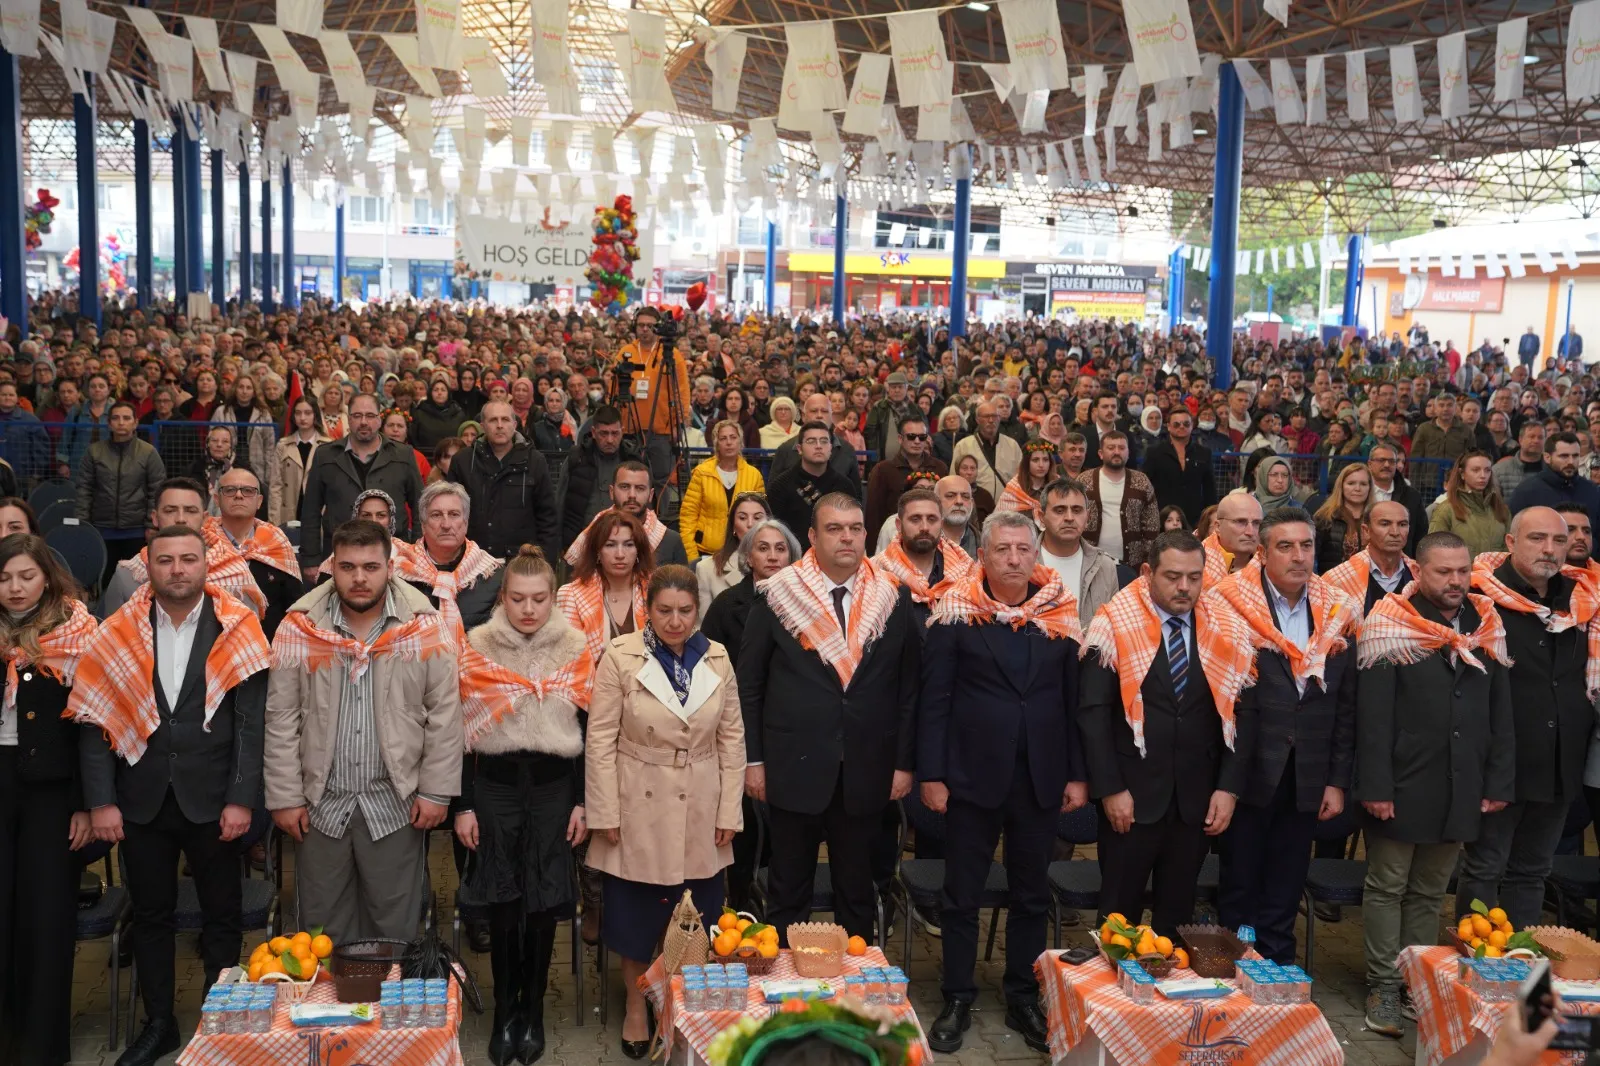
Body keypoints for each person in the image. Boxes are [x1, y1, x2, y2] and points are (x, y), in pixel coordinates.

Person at [69, 524, 272, 1066]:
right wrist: (101, 801)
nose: (177, 569)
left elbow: (251, 726)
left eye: (188, 559)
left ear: (207, 565)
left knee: (222, 918)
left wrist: (241, 798)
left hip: (214, 801)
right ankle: (159, 1023)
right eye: (166, 560)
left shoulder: (239, 626)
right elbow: (94, 722)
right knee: (152, 918)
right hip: (139, 802)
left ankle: (217, 1023)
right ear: (149, 566)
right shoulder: (116, 630)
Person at [920, 510, 1088, 1054]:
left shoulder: (1059, 613)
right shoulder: (954, 614)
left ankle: (1021, 995)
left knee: (1031, 895)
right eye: (1003, 550)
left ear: (1035, 554)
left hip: (1040, 778)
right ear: (984, 555)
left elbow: (1072, 703)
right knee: (961, 895)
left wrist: (1077, 775)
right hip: (970, 779)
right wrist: (933, 775)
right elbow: (935, 703)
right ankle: (958, 996)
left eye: (1023, 549)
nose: (1014, 559)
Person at [265, 519, 462, 944]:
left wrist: (435, 792)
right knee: (321, 934)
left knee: (395, 932)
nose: (359, 578)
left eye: (371, 567)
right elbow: (281, 717)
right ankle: (327, 1010)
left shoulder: (423, 627)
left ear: (391, 568)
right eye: (348, 566)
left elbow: (445, 713)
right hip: (320, 807)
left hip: (396, 804)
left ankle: (390, 1010)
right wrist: (284, 796)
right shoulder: (299, 629)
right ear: (330, 568)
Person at [1352, 531, 1515, 1037]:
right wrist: (1375, 785)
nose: (1456, 581)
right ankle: (1381, 984)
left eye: (1463, 571)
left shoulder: (1485, 623)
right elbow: (1372, 720)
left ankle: (1413, 980)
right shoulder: (1388, 624)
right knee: (1387, 886)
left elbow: (1500, 714)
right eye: (1444, 572)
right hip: (1403, 782)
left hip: (1462, 784)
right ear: (1417, 571)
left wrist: (1498, 779)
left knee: (1429, 891)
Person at [739, 493, 919, 943]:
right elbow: (749, 687)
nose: (847, 537)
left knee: (857, 891)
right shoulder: (779, 595)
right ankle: (784, 993)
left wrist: (902, 762)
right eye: (835, 529)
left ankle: (853, 994)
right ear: (813, 537)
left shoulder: (893, 597)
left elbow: (908, 687)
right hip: (792, 766)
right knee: (788, 890)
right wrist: (753, 761)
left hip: (866, 768)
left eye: (855, 528)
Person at [586, 565, 745, 1058]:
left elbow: (733, 739)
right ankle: (637, 1007)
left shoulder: (716, 657)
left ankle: (683, 1012)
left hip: (702, 799)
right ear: (647, 610)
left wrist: (729, 810)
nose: (675, 621)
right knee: (635, 921)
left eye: (685, 611)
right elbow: (600, 739)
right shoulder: (620, 656)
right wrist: (605, 811)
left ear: (698, 610)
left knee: (694, 919)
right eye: (664, 611)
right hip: (638, 801)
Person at [1078, 530, 1257, 935]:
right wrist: (1109, 789)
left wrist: (1228, 789)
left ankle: (1168, 996)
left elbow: (1241, 716)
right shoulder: (1113, 625)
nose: (1185, 587)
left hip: (1195, 802)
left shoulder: (1225, 628)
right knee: (1119, 919)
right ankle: (1115, 998)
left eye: (1195, 577)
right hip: (1131, 798)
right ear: (1146, 572)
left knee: (1176, 920)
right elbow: (1092, 714)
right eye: (1173, 576)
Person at [455, 545, 593, 1066]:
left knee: (543, 901)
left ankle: (533, 1011)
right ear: (503, 598)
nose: (529, 609)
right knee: (503, 899)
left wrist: (582, 800)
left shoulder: (576, 646)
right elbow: (459, 733)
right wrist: (463, 805)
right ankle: (502, 1013)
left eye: (539, 599)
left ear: (553, 598)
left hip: (556, 783)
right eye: (518, 599)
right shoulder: (477, 647)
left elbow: (587, 726)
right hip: (495, 782)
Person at [1210, 508, 1360, 965]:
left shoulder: (1338, 610)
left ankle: (1277, 966)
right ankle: (1234, 963)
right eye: (1285, 546)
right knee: (1240, 878)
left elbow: (1345, 707)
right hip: (1249, 769)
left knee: (1288, 877)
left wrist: (1336, 780)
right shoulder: (1230, 604)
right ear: (1262, 552)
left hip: (1308, 773)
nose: (1299, 556)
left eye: (1307, 546)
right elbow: (1222, 698)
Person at [1458, 507, 1597, 928]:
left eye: (1558, 540)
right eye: (1538, 538)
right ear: (1511, 542)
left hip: (1559, 762)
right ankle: (1474, 967)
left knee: (1533, 870)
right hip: (1500, 761)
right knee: (1485, 868)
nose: (1550, 549)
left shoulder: (1583, 597)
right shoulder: (1478, 598)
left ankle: (1516, 968)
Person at [0, 534, 98, 1066]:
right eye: (4, 577)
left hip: (51, 792)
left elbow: (91, 725)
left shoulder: (76, 630)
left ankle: (40, 1049)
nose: (15, 588)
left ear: (46, 577)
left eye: (26, 576)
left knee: (45, 920)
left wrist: (84, 803)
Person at [298, 393, 425, 581]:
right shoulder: (325, 455)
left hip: (394, 557)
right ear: (348, 419)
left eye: (370, 416)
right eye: (357, 416)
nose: (363, 421)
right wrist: (310, 558)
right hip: (338, 555)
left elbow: (419, 507)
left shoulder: (403, 454)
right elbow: (310, 511)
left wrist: (417, 553)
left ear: (379, 419)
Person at [101, 478, 267, 618]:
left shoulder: (235, 573)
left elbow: (247, 639)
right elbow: (112, 644)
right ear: (155, 518)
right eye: (170, 510)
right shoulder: (127, 575)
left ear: (204, 519)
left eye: (190, 511)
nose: (180, 519)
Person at [445, 400, 560, 563]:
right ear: (483, 426)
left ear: (514, 424)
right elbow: (450, 512)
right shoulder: (462, 461)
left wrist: (546, 564)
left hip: (521, 563)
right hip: (471, 561)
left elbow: (547, 518)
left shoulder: (535, 461)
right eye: (493, 420)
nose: (500, 425)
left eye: (505, 420)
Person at [393, 480, 506, 634]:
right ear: (423, 525)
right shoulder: (397, 573)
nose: (446, 524)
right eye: (436, 515)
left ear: (465, 523)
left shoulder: (493, 574)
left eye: (454, 514)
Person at [207, 467, 304, 639]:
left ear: (259, 501)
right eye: (230, 490)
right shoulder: (202, 545)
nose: (239, 495)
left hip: (269, 650)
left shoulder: (276, 543)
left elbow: (294, 605)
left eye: (248, 491)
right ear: (216, 499)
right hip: (212, 649)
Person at [608, 306, 693, 485]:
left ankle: (658, 514)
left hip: (661, 430)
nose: (645, 329)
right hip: (629, 429)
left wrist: (680, 422)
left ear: (658, 327)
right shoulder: (625, 352)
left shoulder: (672, 355)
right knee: (628, 480)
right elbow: (613, 389)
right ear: (635, 327)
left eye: (649, 325)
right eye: (641, 325)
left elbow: (682, 391)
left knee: (660, 481)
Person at [74, 399, 167, 562]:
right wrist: (82, 525)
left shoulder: (148, 452)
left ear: (135, 422)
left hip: (137, 530)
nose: (121, 423)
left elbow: (157, 491)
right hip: (101, 528)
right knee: (105, 580)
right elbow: (84, 490)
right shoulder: (94, 452)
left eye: (126, 418)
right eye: (116, 418)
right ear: (109, 423)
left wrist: (152, 525)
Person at [559, 510, 653, 670]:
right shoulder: (571, 595)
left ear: (638, 551)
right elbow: (569, 663)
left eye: (629, 545)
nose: (620, 554)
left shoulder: (654, 590)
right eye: (610, 545)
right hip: (593, 689)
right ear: (597, 552)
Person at [870, 487, 975, 626]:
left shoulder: (966, 572)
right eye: (915, 519)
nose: (924, 527)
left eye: (932, 519)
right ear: (899, 525)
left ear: (941, 524)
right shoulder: (876, 572)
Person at [564, 460, 689, 568]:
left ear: (651, 495)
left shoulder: (671, 541)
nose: (632, 495)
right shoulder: (594, 535)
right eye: (624, 487)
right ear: (612, 492)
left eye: (640, 488)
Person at [1037, 478, 1128, 624]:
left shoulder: (1104, 566)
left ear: (1087, 517)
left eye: (1077, 510)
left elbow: (1112, 627)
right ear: (1041, 517)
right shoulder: (1025, 563)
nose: (1069, 518)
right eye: (1059, 510)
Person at [679, 420, 765, 562]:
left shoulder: (754, 475)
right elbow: (687, 518)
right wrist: (692, 557)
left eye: (733, 437)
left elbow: (761, 518)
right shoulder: (701, 473)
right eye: (723, 438)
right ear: (716, 443)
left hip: (743, 552)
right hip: (705, 553)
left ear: (740, 441)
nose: (729, 442)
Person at [767, 423, 857, 552]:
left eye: (824, 441)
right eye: (811, 441)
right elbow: (773, 531)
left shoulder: (845, 487)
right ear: (799, 448)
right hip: (792, 560)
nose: (819, 446)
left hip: (835, 556)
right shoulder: (780, 486)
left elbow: (852, 527)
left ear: (831, 448)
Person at [864, 415, 948, 553]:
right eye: (911, 436)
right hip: (891, 541)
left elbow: (944, 507)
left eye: (922, 437)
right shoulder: (883, 470)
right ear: (900, 439)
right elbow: (873, 516)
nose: (917, 441)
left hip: (932, 542)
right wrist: (873, 554)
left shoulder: (940, 468)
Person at [556, 406, 636, 551]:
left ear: (622, 432)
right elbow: (559, 504)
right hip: (580, 544)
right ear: (593, 432)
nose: (610, 439)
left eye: (615, 433)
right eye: (604, 434)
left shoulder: (634, 460)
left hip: (624, 543)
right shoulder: (577, 458)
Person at [1321, 501, 1418, 614]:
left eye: (1402, 524)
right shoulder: (1338, 580)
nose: (1395, 532)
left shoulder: (1419, 577)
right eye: (1385, 524)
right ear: (1366, 531)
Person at [1082, 431, 1160, 568]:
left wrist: (1148, 558)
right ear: (1100, 453)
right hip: (1090, 562)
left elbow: (1152, 523)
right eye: (1111, 448)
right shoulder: (1085, 480)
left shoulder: (1141, 481)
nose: (1117, 452)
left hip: (1132, 563)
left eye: (1121, 448)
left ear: (1128, 453)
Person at [767, 392, 864, 498]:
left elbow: (856, 497)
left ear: (831, 416)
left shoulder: (847, 450)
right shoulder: (785, 450)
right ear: (803, 416)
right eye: (814, 411)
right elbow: (773, 495)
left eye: (825, 411)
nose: (819, 415)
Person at [1508, 431, 1600, 535]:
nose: (1571, 461)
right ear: (1547, 457)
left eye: (1575, 456)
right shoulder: (1526, 492)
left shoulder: (1591, 490)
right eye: (1564, 456)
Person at [1142, 406, 1217, 527]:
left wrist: (1212, 515)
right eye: (1177, 424)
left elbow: (1210, 488)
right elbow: (1145, 485)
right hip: (1163, 516)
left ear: (1192, 425)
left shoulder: (1204, 452)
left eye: (1186, 424)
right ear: (1168, 426)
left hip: (1195, 518)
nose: (1182, 427)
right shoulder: (1154, 452)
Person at [695, 491, 767, 617]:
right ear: (733, 526)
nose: (750, 524)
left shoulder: (786, 567)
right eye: (742, 518)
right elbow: (703, 629)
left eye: (757, 518)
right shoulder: (706, 569)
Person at [1431, 451, 1511, 558]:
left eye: (1487, 470)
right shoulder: (1445, 510)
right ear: (1462, 473)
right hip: (1460, 573)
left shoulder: (1501, 509)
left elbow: (1509, 549)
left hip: (1495, 574)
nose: (1483, 475)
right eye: (1475, 470)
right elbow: (1435, 551)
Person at [273, 398, 332, 527]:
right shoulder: (283, 445)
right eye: (298, 413)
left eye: (307, 413)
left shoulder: (327, 445)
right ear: (293, 416)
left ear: (315, 415)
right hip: (289, 510)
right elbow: (276, 486)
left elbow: (331, 486)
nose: (302, 417)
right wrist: (274, 522)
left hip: (317, 510)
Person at [1366, 442, 1429, 556]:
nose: (1386, 465)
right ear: (1369, 464)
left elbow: (1420, 534)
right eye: (1381, 460)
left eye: (1391, 461)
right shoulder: (1359, 492)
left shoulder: (1412, 496)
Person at [949, 401, 1021, 500]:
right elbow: (954, 479)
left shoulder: (1012, 445)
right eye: (986, 416)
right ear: (977, 420)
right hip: (976, 505)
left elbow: (1021, 478)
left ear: (999, 418)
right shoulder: (963, 445)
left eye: (994, 416)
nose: (991, 420)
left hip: (1008, 504)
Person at [1312, 463, 1372, 574]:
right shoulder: (1324, 517)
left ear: (1370, 487)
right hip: (1331, 585)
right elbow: (1312, 557)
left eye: (1363, 484)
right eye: (1351, 483)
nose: (1357, 488)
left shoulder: (1377, 518)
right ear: (1341, 486)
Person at [1201, 492, 1264, 590]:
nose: (1250, 532)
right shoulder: (1195, 563)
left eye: (1257, 523)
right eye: (1240, 522)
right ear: (1218, 527)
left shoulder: (1270, 567)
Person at [997, 439, 1060, 521]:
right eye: (1035, 460)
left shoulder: (1058, 485)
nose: (1041, 465)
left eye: (1045, 460)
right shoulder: (1014, 488)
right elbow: (1000, 520)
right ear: (1026, 463)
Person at [1410, 393, 1475, 464]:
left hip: (1455, 474)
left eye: (1449, 405)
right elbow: (1415, 457)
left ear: (1455, 408)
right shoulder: (1424, 429)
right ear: (1435, 409)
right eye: (1441, 405)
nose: (1445, 409)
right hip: (1429, 474)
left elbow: (1471, 458)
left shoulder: (1466, 430)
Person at [410, 376, 466, 452]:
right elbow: (413, 438)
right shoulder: (419, 413)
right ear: (430, 393)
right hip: (425, 456)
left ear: (448, 393)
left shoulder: (458, 414)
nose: (439, 393)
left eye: (443, 390)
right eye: (436, 390)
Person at [1493, 422, 1545, 501]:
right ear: (1520, 440)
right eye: (1531, 436)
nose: (1536, 441)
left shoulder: (1553, 469)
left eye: (1540, 437)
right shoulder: (1499, 470)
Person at [934, 473, 979, 557]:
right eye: (950, 496)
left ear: (972, 504)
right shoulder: (922, 541)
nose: (959, 501)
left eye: (965, 497)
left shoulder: (985, 543)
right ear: (936, 501)